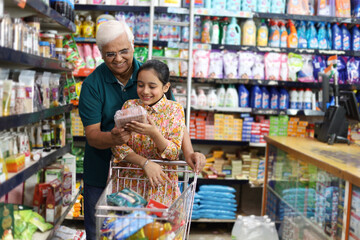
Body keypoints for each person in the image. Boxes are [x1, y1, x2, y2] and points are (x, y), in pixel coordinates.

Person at [78, 20, 206, 240]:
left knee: (154, 231)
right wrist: (115, 138)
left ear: (133, 44)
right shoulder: (92, 85)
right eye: (110, 54)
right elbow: (92, 135)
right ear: (100, 53)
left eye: (124, 51)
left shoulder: (149, 73)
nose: (118, 58)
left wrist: (189, 154)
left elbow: (177, 123)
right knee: (101, 230)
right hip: (108, 167)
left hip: (157, 178)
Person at [112, 59, 184, 206]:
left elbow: (174, 153)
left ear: (166, 87)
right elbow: (118, 146)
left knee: (159, 228)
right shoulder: (129, 106)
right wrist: (144, 163)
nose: (145, 91)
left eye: (152, 86)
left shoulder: (175, 110)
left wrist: (154, 134)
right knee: (128, 227)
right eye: (140, 85)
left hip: (161, 187)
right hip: (130, 187)